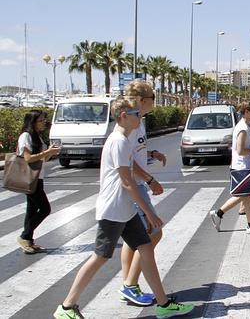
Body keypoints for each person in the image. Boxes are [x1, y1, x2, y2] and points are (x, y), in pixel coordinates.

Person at [54, 96, 193, 319]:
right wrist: (149, 213)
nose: (140, 117)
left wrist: (147, 187)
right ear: (123, 116)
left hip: (125, 210)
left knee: (146, 248)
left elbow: (132, 172)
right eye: (136, 114)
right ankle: (67, 307)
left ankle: (163, 304)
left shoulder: (124, 140)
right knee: (100, 257)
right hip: (113, 209)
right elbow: (127, 182)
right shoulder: (118, 141)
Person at [119, 81, 168, 306]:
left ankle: (129, 285)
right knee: (153, 233)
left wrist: (152, 154)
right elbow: (127, 161)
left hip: (134, 184)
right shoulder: (132, 123)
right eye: (152, 97)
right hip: (134, 186)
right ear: (141, 100)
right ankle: (130, 285)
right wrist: (150, 179)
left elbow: (136, 152)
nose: (154, 101)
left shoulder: (139, 122)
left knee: (132, 240)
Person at [210, 101, 250, 234]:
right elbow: (240, 150)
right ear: (246, 112)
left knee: (246, 196)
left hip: (244, 165)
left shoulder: (246, 125)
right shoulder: (243, 128)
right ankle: (220, 213)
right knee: (244, 195)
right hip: (242, 166)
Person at [16, 110, 61, 254]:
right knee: (45, 209)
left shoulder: (37, 137)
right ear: (33, 122)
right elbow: (28, 158)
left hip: (37, 177)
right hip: (29, 178)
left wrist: (50, 152)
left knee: (32, 210)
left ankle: (28, 240)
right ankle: (24, 236)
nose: (44, 123)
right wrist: (47, 153)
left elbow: (42, 159)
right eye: (41, 120)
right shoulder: (26, 136)